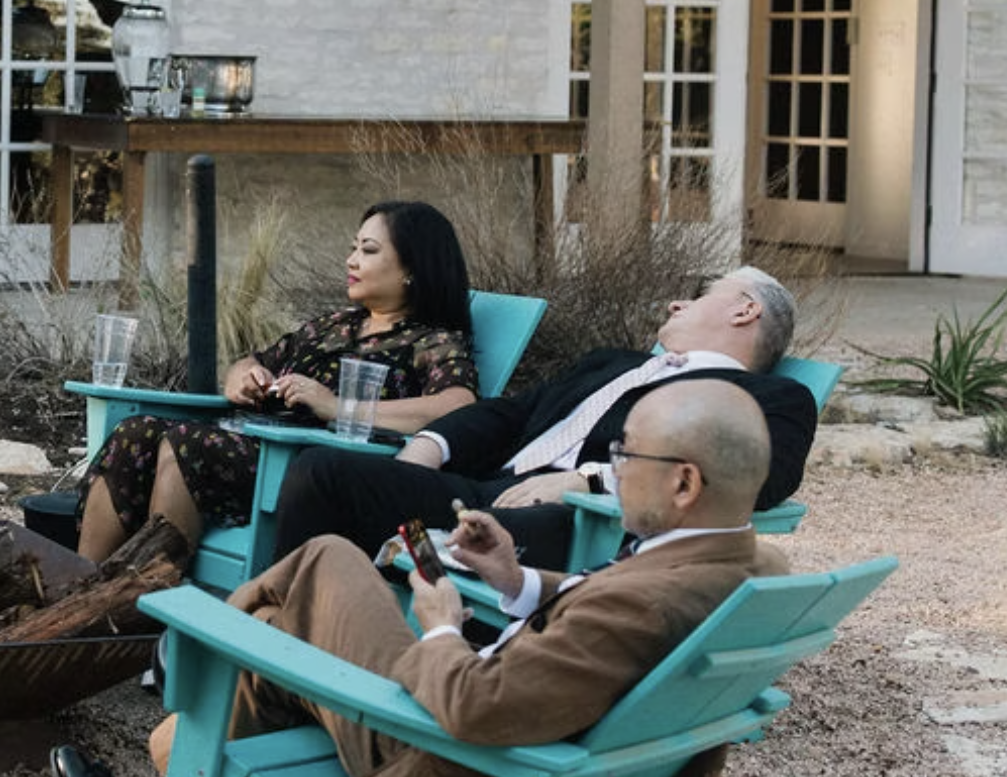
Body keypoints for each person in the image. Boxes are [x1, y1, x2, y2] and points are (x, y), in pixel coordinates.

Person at [145, 380, 783, 777]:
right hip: (511, 730)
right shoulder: (748, 569)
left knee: (322, 562)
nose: (611, 467)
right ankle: (181, 742)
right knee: (278, 626)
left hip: (438, 747)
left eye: (624, 453)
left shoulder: (642, 607)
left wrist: (443, 628)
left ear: (683, 482)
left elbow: (477, 707)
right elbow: (611, 609)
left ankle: (197, 652)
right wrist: (517, 580)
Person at [269, 265, 815, 572]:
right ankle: (286, 633)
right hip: (480, 491)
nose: (676, 304)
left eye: (699, 297)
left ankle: (411, 583)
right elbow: (512, 414)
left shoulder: (772, 397)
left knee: (469, 535)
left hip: (581, 525)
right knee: (322, 472)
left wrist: (591, 480)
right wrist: (430, 447)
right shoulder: (613, 364)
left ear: (745, 310)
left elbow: (760, 476)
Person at [74, 201, 477, 563]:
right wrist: (243, 379)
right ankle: (81, 589)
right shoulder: (333, 326)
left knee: (185, 443)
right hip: (250, 451)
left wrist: (335, 406)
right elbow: (251, 361)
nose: (352, 261)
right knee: (135, 431)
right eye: (353, 248)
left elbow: (457, 407)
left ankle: (143, 603)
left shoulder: (432, 341)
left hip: (308, 472)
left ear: (411, 269)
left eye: (368, 251)